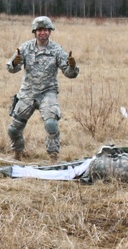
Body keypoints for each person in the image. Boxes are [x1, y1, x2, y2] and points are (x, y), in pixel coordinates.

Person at [6, 16, 79, 162]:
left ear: (50, 31)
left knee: (51, 124)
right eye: (39, 30)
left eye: (45, 30)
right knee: (13, 129)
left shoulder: (57, 50)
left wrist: (72, 66)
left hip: (47, 93)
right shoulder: (25, 48)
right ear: (34, 32)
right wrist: (15, 63)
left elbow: (70, 74)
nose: (42, 33)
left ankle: (53, 157)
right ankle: (17, 154)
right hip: (27, 93)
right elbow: (11, 69)